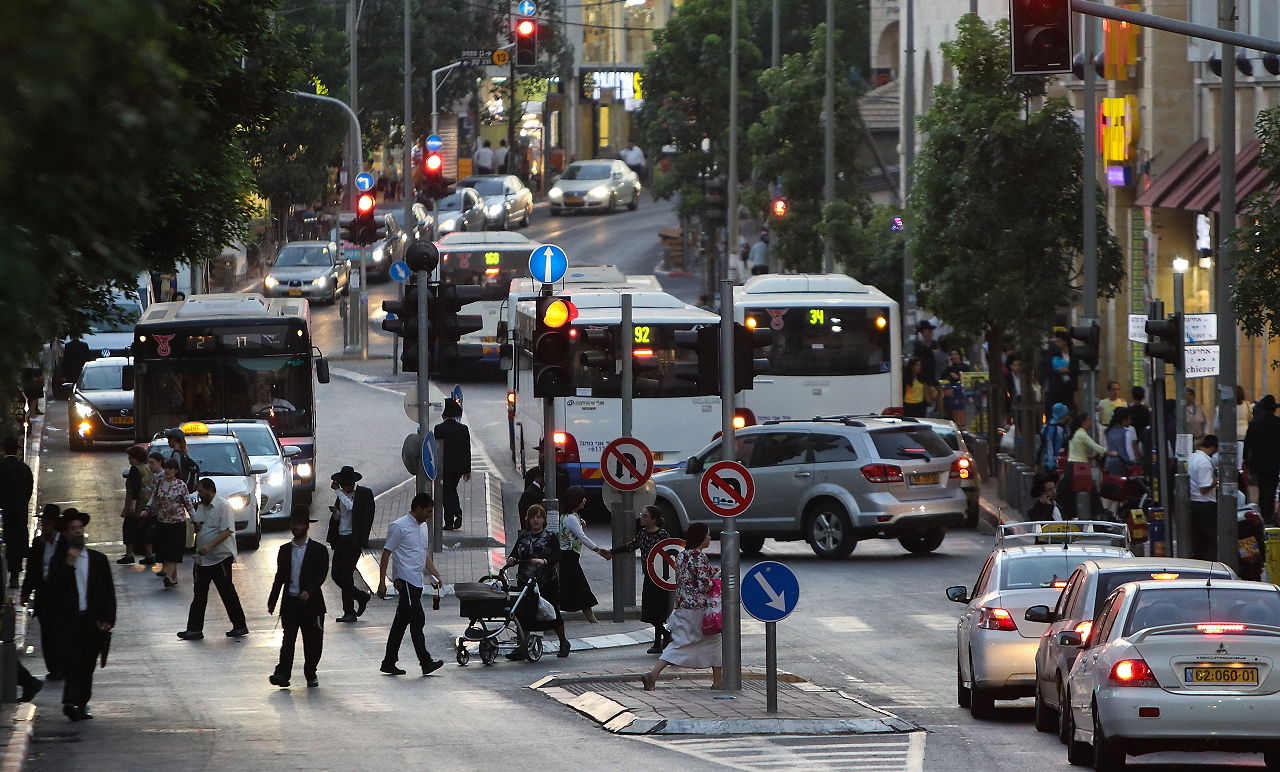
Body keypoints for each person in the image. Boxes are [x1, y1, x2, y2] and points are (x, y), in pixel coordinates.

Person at [47, 509, 115, 721]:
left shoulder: (98, 560)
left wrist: (108, 619)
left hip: (91, 619)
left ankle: (82, 702)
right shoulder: (59, 561)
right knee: (73, 661)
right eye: (73, 529)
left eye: (80, 528)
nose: (77, 532)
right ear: (66, 534)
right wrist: (68, 563)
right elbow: (53, 590)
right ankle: (70, 701)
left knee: (87, 663)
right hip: (69, 620)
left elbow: (108, 592)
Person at [641, 522, 721, 691]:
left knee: (681, 643)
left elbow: (690, 575)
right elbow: (702, 584)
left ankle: (653, 675)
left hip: (682, 607)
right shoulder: (699, 557)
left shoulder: (682, 555)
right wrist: (714, 581)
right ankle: (718, 682)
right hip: (698, 610)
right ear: (700, 537)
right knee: (713, 641)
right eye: (707, 535)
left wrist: (712, 572)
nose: (709, 538)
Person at [376, 493, 444, 676]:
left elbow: (423, 554)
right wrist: (382, 583)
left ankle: (388, 662)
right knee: (418, 619)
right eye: (428, 511)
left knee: (400, 622)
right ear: (418, 508)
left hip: (417, 581)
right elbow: (386, 554)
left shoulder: (423, 528)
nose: (430, 515)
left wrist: (435, 573)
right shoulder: (399, 526)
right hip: (404, 579)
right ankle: (425, 662)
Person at [178, 479, 248, 640]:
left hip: (220, 557)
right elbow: (201, 526)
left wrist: (209, 546)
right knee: (199, 593)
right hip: (203, 560)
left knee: (227, 592)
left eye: (201, 491)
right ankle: (194, 629)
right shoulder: (202, 507)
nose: (199, 495)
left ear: (210, 490)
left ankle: (240, 625)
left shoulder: (223, 506)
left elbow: (227, 531)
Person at [268, 512, 328, 688]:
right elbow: (280, 576)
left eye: (300, 524)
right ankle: (282, 674)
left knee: (313, 643)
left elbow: (321, 575)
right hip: (290, 603)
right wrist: (273, 599)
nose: (296, 527)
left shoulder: (319, 550)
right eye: (293, 523)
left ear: (307, 526)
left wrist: (309, 591)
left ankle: (310, 671)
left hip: (312, 606)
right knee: (288, 640)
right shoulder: (284, 550)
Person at [504, 504, 571, 660]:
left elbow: (557, 556)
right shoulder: (523, 537)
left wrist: (544, 561)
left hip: (546, 582)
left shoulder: (551, 537)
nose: (536, 520)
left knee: (552, 613)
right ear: (528, 519)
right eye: (533, 517)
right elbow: (514, 555)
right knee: (522, 614)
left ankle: (563, 642)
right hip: (525, 582)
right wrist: (511, 559)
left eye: (539, 517)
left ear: (544, 520)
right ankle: (522, 646)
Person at [608, 505, 674, 654]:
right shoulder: (643, 533)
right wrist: (611, 552)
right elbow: (630, 546)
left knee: (658, 612)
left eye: (645, 516)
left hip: (661, 579)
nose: (641, 518)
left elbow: (671, 554)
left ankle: (658, 643)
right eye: (642, 515)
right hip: (649, 577)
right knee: (649, 612)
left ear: (654, 519)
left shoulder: (663, 535)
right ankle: (666, 635)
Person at [22, 505, 65, 680]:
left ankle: (63, 665)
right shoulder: (38, 545)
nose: (45, 527)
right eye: (43, 523)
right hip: (44, 595)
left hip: (61, 595)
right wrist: (25, 593)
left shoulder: (64, 544)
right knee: (47, 633)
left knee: (60, 632)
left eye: (48, 524)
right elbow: (32, 571)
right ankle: (54, 668)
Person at [326, 466, 374, 623]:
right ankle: (360, 596)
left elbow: (353, 508)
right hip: (341, 538)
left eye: (346, 485)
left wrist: (338, 492)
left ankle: (349, 611)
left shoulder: (362, 495)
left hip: (352, 541)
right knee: (336, 575)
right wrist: (336, 514)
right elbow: (343, 515)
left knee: (346, 576)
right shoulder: (342, 497)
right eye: (342, 485)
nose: (345, 488)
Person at [143, 458, 194, 588]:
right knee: (166, 550)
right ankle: (173, 577)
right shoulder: (160, 483)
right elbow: (153, 498)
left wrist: (195, 519)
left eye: (171, 468)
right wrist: (147, 509)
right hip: (162, 522)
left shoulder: (181, 485)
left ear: (176, 470)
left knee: (174, 551)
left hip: (177, 523)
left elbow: (188, 503)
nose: (168, 471)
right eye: (166, 468)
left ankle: (167, 575)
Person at [557, 486, 602, 624]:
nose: (585, 500)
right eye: (582, 498)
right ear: (575, 500)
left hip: (570, 557)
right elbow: (582, 537)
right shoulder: (570, 518)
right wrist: (598, 550)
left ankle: (590, 618)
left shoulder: (570, 516)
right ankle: (591, 619)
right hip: (568, 557)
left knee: (571, 587)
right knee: (580, 587)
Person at [1062, 412, 1117, 520]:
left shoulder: (1075, 433)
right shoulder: (1082, 434)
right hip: (1079, 468)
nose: (1091, 422)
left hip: (1072, 467)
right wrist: (1111, 453)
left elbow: (1076, 451)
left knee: (1073, 492)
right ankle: (1098, 514)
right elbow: (1095, 446)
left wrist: (1090, 457)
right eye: (1089, 420)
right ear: (1084, 422)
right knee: (1090, 490)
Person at [433, 399, 472, 530]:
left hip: (445, 467)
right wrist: (467, 470)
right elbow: (467, 449)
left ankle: (451, 519)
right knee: (451, 490)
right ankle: (456, 514)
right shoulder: (463, 429)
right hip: (459, 468)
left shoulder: (439, 429)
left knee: (446, 493)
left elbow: (436, 449)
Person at [0, 435, 33, 587]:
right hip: (19, 511)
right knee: (17, 540)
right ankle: (14, 574)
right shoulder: (24, 468)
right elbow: (29, 490)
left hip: (5, 510)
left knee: (6, 539)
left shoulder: (2, 468)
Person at [1245, 395, 1280, 523]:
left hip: (1258, 462)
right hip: (1274, 462)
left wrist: (1246, 462)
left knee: (1261, 487)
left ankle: (1262, 513)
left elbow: (1247, 444)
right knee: (1271, 488)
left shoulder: (1255, 424)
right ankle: (1268, 514)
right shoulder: (1278, 423)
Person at [1188, 435, 1220, 561]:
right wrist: (1217, 481)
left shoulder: (1192, 458)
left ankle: (1198, 562)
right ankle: (1209, 564)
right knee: (1211, 539)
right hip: (1205, 504)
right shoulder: (1205, 463)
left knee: (1198, 539)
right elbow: (1204, 487)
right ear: (1213, 448)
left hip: (1194, 502)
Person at [118, 445, 149, 565]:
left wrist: (132, 504)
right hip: (146, 503)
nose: (129, 459)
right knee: (145, 529)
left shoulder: (135, 470)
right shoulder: (147, 468)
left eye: (130, 457)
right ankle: (149, 554)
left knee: (129, 529)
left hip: (136, 504)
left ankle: (129, 554)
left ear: (135, 458)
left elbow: (135, 488)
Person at [1036, 403, 1071, 476]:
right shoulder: (1065, 430)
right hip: (1062, 462)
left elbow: (1041, 446)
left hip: (1048, 463)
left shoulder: (1045, 428)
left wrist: (1037, 461)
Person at [1103, 407, 1138, 477]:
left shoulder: (1108, 431)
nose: (1130, 421)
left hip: (1109, 462)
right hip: (1122, 463)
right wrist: (1133, 461)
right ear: (1123, 420)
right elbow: (1129, 450)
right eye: (1129, 419)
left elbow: (1105, 447)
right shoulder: (1126, 432)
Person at [1044, 332, 1074, 412]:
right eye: (1056, 341)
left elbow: (1076, 369)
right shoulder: (1053, 355)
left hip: (1069, 389)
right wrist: (1059, 371)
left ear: (1065, 342)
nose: (1057, 343)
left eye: (1059, 341)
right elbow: (1048, 370)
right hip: (1056, 390)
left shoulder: (1073, 354)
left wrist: (1070, 370)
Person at [940, 350, 969, 426]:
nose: (954, 356)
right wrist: (949, 366)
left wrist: (959, 377)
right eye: (952, 355)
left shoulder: (965, 366)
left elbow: (967, 378)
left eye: (956, 354)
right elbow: (942, 375)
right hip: (951, 392)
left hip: (961, 392)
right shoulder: (950, 367)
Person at [912, 321, 940, 387]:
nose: (927, 334)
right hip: (922, 376)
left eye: (929, 331)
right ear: (922, 333)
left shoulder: (935, 344)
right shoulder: (918, 345)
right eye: (925, 332)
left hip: (934, 375)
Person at [1128, 386, 1152, 459]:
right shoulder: (1147, 410)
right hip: (1145, 439)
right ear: (1143, 396)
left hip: (1131, 439)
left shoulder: (1129, 411)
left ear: (1132, 396)